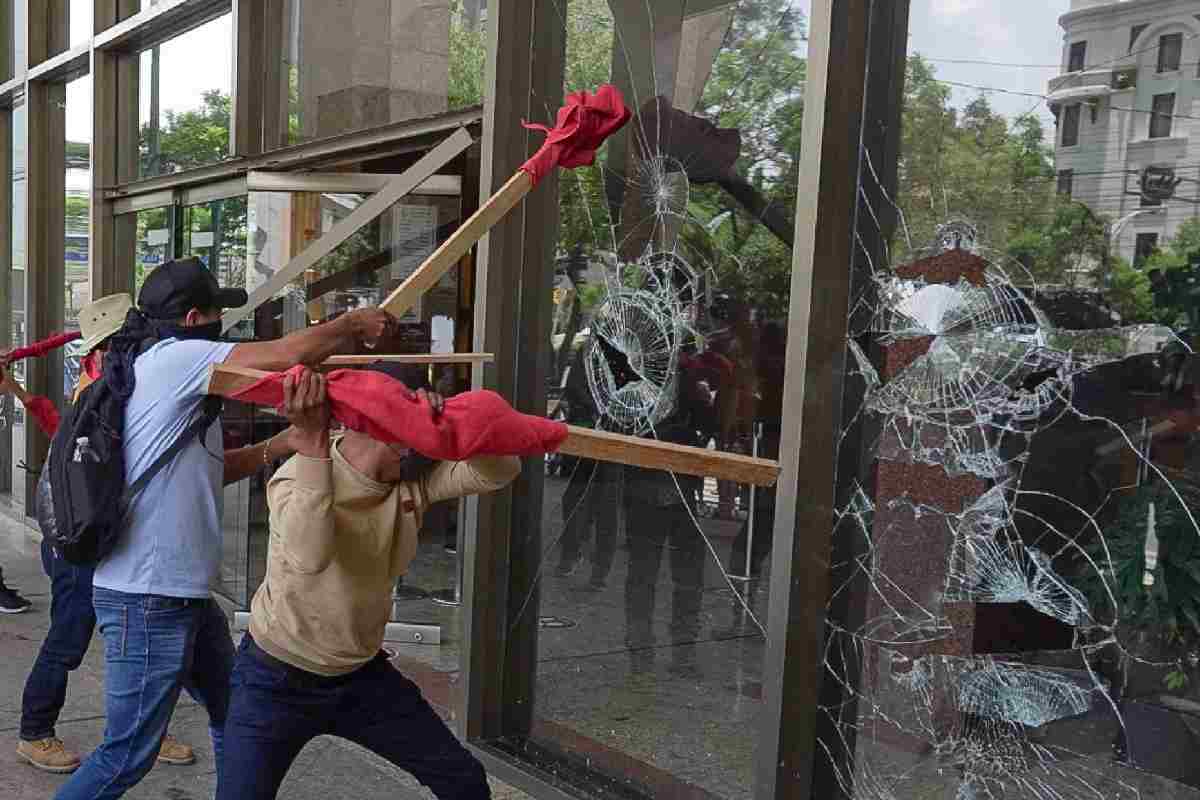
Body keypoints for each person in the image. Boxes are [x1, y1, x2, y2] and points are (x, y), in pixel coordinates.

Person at [53, 257, 397, 800]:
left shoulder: (166, 376)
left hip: (181, 594)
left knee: (237, 719)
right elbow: (288, 354)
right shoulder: (177, 358)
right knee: (125, 758)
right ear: (194, 319)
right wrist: (353, 323)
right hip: (149, 598)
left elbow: (206, 471)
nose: (224, 325)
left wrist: (282, 443)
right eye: (218, 313)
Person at [218, 364, 521, 800]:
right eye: (410, 428)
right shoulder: (299, 477)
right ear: (386, 430)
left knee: (464, 782)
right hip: (275, 677)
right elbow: (310, 556)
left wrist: (451, 425)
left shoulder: (411, 483)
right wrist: (313, 449)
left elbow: (500, 470)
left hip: (361, 677)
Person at [8, 294, 198, 773]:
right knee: (69, 639)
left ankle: (143, 730)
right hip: (81, 540)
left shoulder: (117, 378)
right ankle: (34, 731)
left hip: (111, 535)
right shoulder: (103, 387)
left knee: (135, 643)